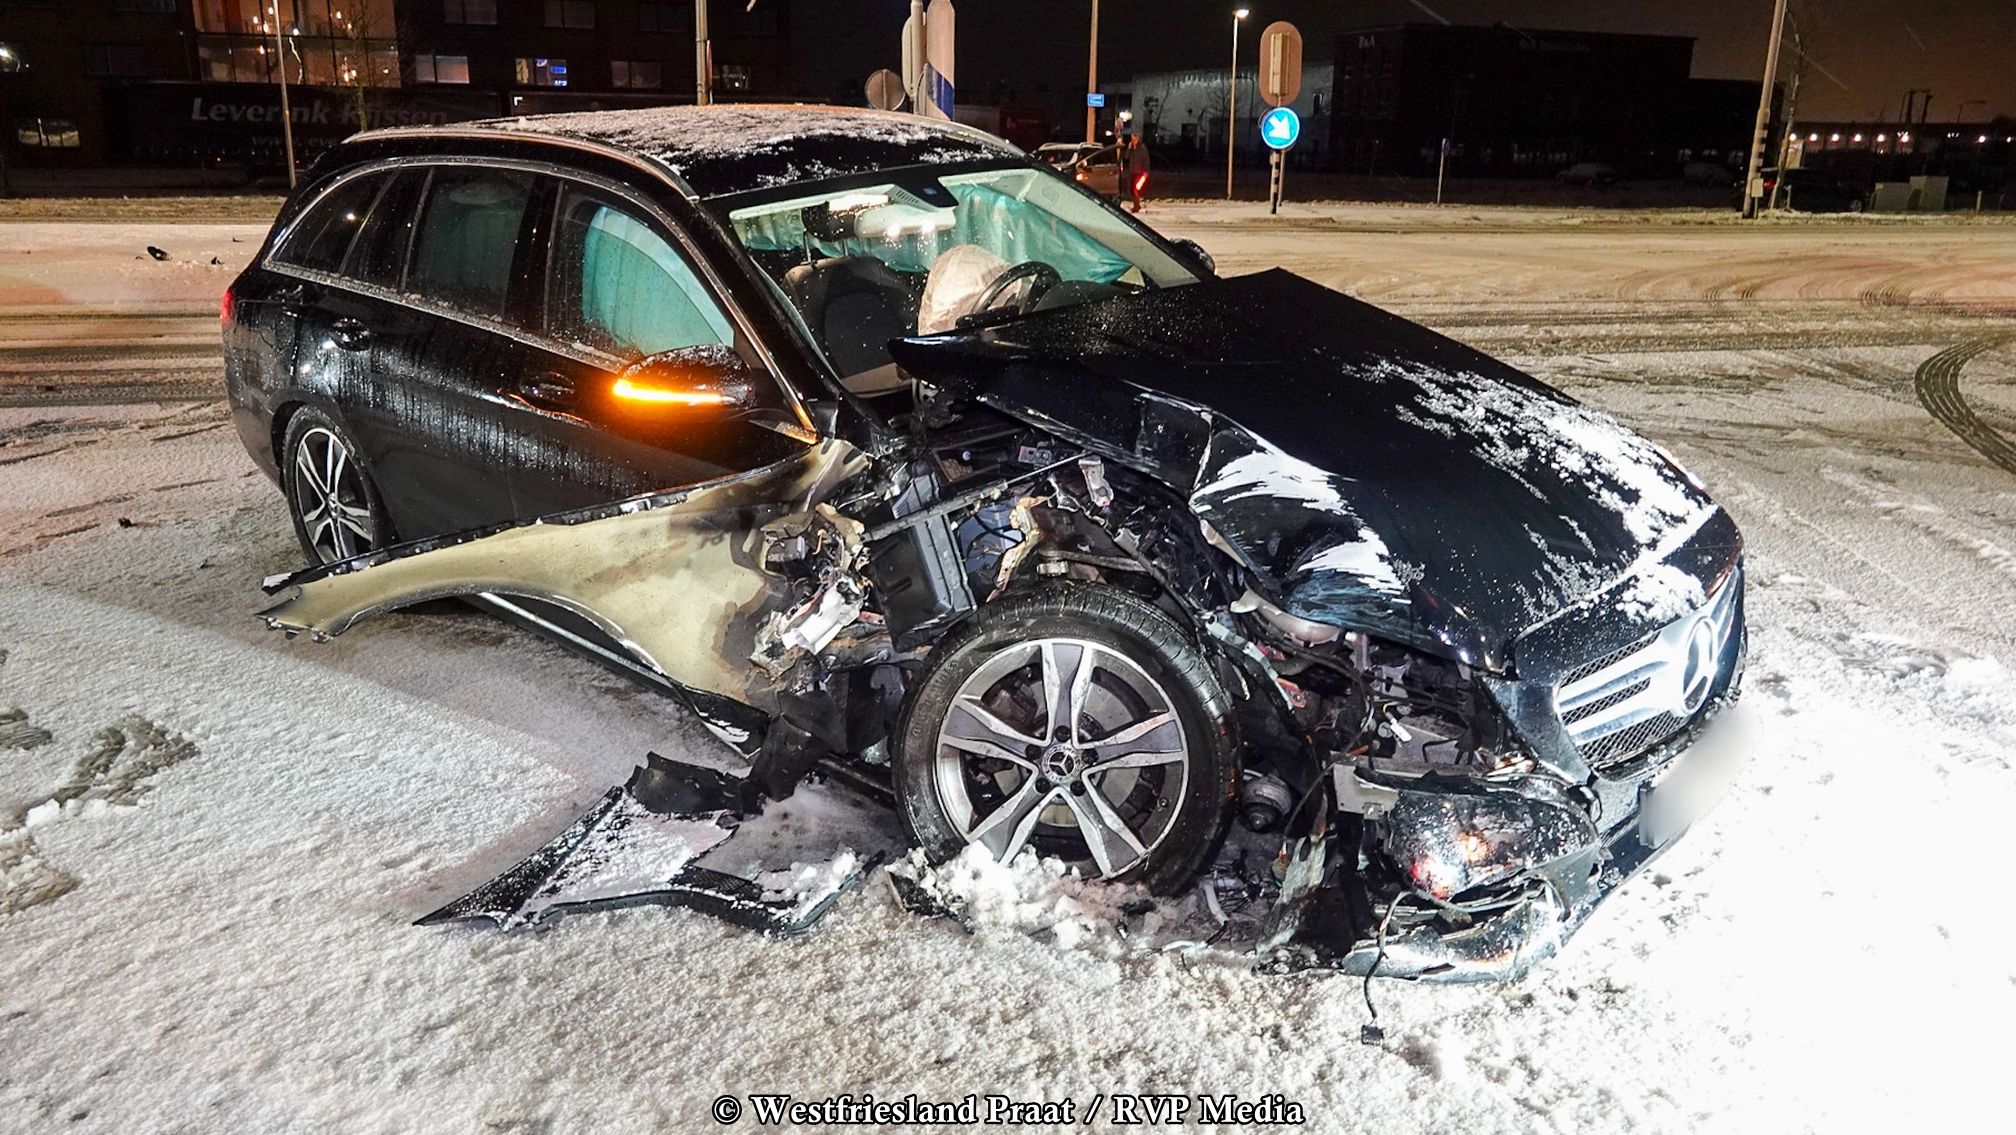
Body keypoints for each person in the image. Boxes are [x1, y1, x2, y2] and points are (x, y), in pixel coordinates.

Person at [1123, 133, 1151, 213]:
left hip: (1140, 172)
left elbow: (1146, 161)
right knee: (1131, 190)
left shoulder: (1142, 148)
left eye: (1135, 139)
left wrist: (1146, 171)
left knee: (1136, 189)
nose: (1133, 141)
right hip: (1132, 172)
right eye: (1132, 139)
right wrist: (1128, 148)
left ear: (1138, 139)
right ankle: (1136, 205)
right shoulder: (1132, 148)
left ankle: (1136, 206)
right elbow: (1126, 157)